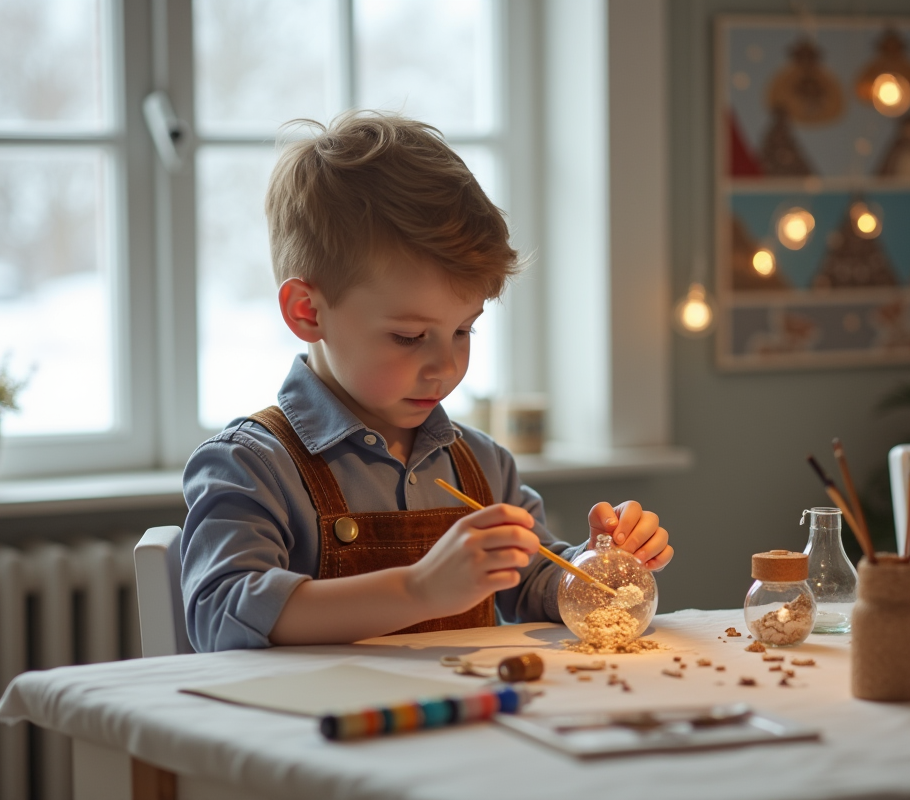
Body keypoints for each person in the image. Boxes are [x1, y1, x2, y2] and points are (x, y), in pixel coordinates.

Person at [181, 112, 673, 651]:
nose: (446, 365)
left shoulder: (483, 467)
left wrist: (592, 568)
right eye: (410, 336)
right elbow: (222, 614)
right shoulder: (253, 465)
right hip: (317, 732)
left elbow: (533, 583)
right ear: (307, 312)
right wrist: (419, 589)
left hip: (462, 726)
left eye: (463, 329)